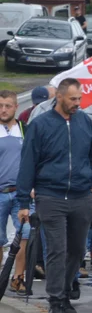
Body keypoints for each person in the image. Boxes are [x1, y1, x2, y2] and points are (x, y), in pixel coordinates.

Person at [16, 78, 92, 313]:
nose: (78, 103)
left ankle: (65, 291)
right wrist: (23, 201)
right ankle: (55, 300)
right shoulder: (41, 125)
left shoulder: (84, 122)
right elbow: (28, 162)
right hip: (50, 195)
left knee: (77, 250)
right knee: (57, 248)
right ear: (60, 98)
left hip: (81, 196)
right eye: (73, 99)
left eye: (80, 99)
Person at [0, 90, 26, 295]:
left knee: (24, 235)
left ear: (16, 107)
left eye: (7, 105)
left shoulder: (24, 129)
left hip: (20, 193)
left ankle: (18, 278)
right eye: (0, 105)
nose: (3, 109)